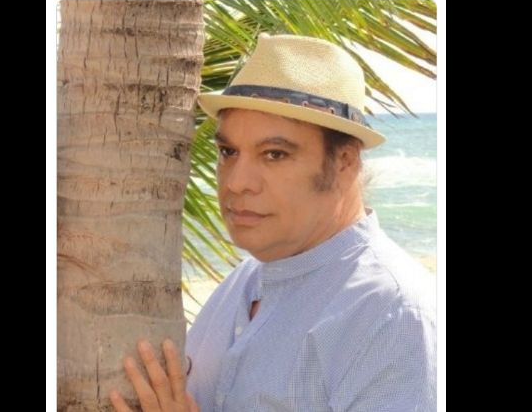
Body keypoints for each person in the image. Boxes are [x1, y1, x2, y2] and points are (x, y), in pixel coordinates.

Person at [110, 34, 437, 411]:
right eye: (228, 152)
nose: (236, 182)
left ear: (344, 162)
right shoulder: (241, 285)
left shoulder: (392, 317)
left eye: (274, 154)